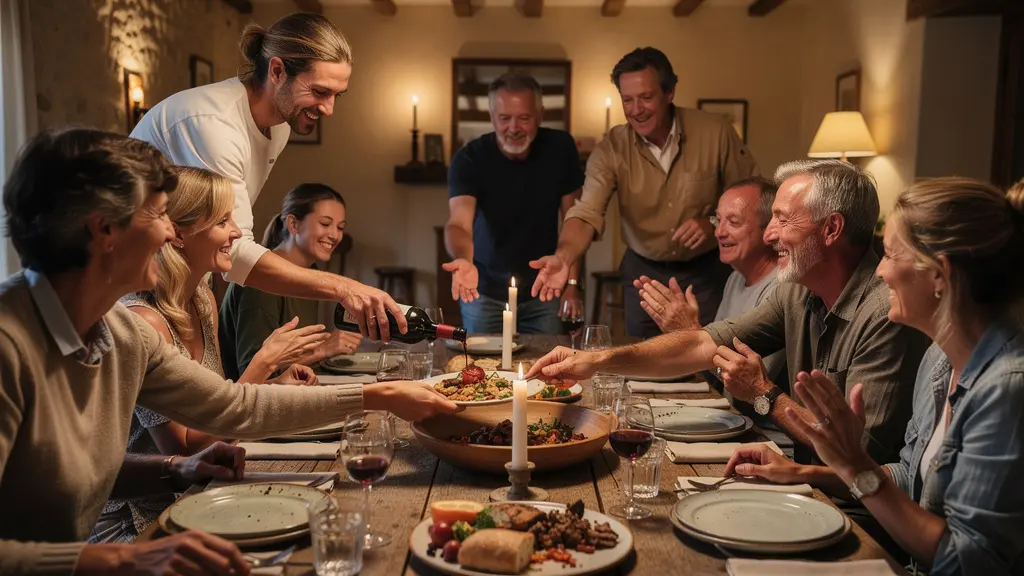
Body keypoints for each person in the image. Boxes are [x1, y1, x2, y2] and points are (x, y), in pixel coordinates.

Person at [0, 127, 459, 573]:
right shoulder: (11, 347)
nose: (168, 234)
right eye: (159, 215)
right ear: (104, 231)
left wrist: (376, 397)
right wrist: (121, 558)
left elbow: (231, 406)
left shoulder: (120, 333)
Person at [526, 159, 931, 467]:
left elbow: (862, 459)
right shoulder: (795, 292)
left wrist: (764, 396)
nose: (770, 235)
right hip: (805, 484)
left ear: (831, 229)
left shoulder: (884, 313)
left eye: (782, 219)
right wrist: (597, 361)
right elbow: (702, 343)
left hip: (852, 514)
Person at [724, 177, 1024, 575]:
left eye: (892, 254)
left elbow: (970, 562)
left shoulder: (1006, 389)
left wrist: (855, 464)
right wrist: (807, 472)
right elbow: (908, 474)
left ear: (940, 275)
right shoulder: (939, 359)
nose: (880, 270)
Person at [130, 12, 405, 342]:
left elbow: (226, 237)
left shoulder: (278, 128)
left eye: (336, 95)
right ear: (277, 71)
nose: (329, 109)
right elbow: (235, 253)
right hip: (136, 286)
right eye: (319, 91)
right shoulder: (212, 123)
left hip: (185, 286)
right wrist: (344, 287)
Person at [89, 167, 328, 544]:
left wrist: (269, 384)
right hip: (136, 522)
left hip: (194, 496)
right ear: (179, 234)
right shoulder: (144, 320)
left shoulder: (201, 298)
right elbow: (185, 445)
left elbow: (209, 408)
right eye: (222, 220)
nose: (236, 232)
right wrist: (261, 365)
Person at [528, 47, 759, 337]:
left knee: (708, 360)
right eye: (628, 100)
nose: (636, 110)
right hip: (643, 275)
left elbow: (751, 196)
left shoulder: (716, 132)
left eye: (646, 97)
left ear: (670, 92)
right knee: (647, 366)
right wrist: (563, 257)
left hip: (706, 273)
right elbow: (586, 213)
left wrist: (712, 222)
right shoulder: (611, 148)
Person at [443, 72, 584, 334]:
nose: (514, 127)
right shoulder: (469, 158)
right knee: (482, 368)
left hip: (546, 287)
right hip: (483, 291)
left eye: (524, 118)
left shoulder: (560, 148)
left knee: (547, 368)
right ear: (491, 115)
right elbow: (459, 224)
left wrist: (572, 284)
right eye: (504, 118)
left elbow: (574, 219)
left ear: (540, 114)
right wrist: (464, 259)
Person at [220, 183, 363, 380]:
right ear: (293, 224)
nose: (335, 235)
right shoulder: (261, 281)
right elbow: (251, 372)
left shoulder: (311, 273)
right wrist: (323, 349)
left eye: (340, 227)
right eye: (325, 223)